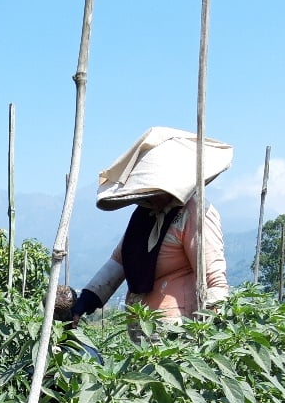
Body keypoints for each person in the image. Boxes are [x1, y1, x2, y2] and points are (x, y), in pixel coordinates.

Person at [72, 127, 232, 327]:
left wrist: (213, 327)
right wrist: (86, 300)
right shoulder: (144, 215)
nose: (149, 197)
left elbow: (213, 278)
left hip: (178, 330)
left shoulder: (194, 212)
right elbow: (119, 262)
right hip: (142, 327)